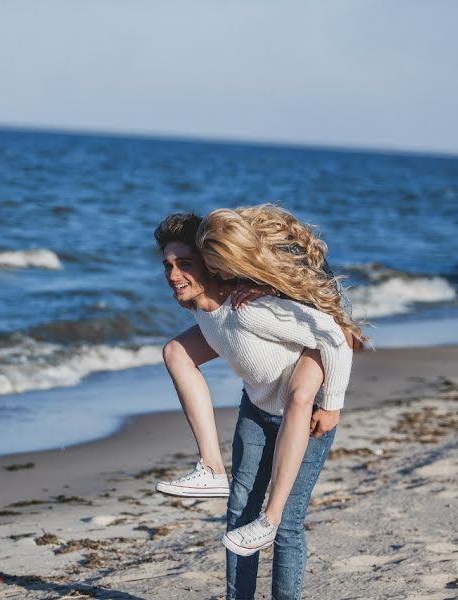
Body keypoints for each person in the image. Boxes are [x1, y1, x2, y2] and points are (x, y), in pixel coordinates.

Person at [154, 206, 359, 600]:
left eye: (184, 264)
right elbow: (183, 353)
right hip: (257, 411)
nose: (173, 275)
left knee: (286, 525)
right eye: (167, 265)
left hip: (306, 420)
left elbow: (335, 334)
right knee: (237, 515)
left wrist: (331, 404)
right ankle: (211, 468)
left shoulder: (252, 309)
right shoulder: (202, 306)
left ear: (212, 265)